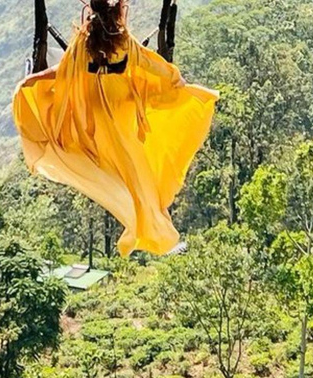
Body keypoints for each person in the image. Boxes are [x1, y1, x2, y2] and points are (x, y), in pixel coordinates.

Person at [13, 0, 218, 256]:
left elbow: (62, 70)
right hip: (120, 120)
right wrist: (177, 80)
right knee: (140, 179)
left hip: (94, 122)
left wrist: (33, 79)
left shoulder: (83, 43)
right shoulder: (124, 43)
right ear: (117, 15)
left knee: (121, 175)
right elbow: (151, 64)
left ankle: (145, 227)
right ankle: (155, 231)